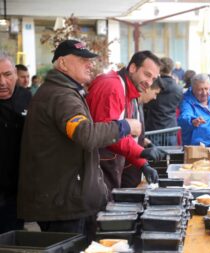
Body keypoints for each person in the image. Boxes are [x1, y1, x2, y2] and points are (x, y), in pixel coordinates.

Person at [17, 40, 141, 239]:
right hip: (64, 203)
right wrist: (124, 126)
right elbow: (86, 134)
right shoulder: (62, 95)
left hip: (63, 198)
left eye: (90, 60)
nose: (90, 64)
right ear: (63, 63)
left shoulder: (64, 91)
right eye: (83, 60)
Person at [86, 50, 166, 192]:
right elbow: (108, 133)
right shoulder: (112, 86)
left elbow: (123, 135)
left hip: (109, 167)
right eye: (147, 75)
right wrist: (141, 153)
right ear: (133, 68)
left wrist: (142, 163)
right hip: (98, 170)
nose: (149, 82)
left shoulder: (128, 91)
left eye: (153, 79)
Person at [0, 55, 32, 234]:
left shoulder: (26, 97)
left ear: (15, 75)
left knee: (12, 236)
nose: (2, 82)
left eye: (7, 75)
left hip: (18, 187)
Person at [121, 79, 163, 188]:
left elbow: (135, 136)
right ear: (147, 88)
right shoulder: (129, 105)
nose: (155, 97)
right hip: (126, 165)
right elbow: (124, 137)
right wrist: (143, 163)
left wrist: (146, 143)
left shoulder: (138, 105)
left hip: (134, 163)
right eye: (155, 93)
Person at [178, 73, 210, 147]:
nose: (204, 93)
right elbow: (184, 117)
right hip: (199, 150)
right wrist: (192, 121)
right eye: (200, 89)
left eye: (206, 89)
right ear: (193, 89)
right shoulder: (187, 101)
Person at [145, 57, 183, 146]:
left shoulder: (153, 85)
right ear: (172, 68)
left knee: (153, 158)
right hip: (170, 129)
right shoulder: (178, 88)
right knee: (172, 158)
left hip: (153, 129)